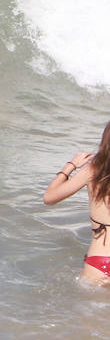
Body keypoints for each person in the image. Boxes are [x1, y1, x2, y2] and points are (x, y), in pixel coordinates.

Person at [42, 120, 110, 282]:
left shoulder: (93, 170)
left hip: (99, 261)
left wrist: (71, 166)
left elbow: (49, 198)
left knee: (90, 307)